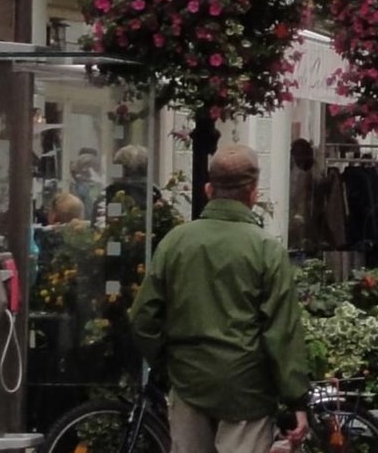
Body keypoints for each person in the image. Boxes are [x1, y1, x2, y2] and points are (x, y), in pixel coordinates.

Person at [128, 145, 309, 453]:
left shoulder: (176, 242)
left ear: (208, 189)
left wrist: (166, 366)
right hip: (246, 390)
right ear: (253, 193)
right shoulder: (266, 249)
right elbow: (281, 332)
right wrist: (296, 399)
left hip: (188, 382)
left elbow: (143, 317)